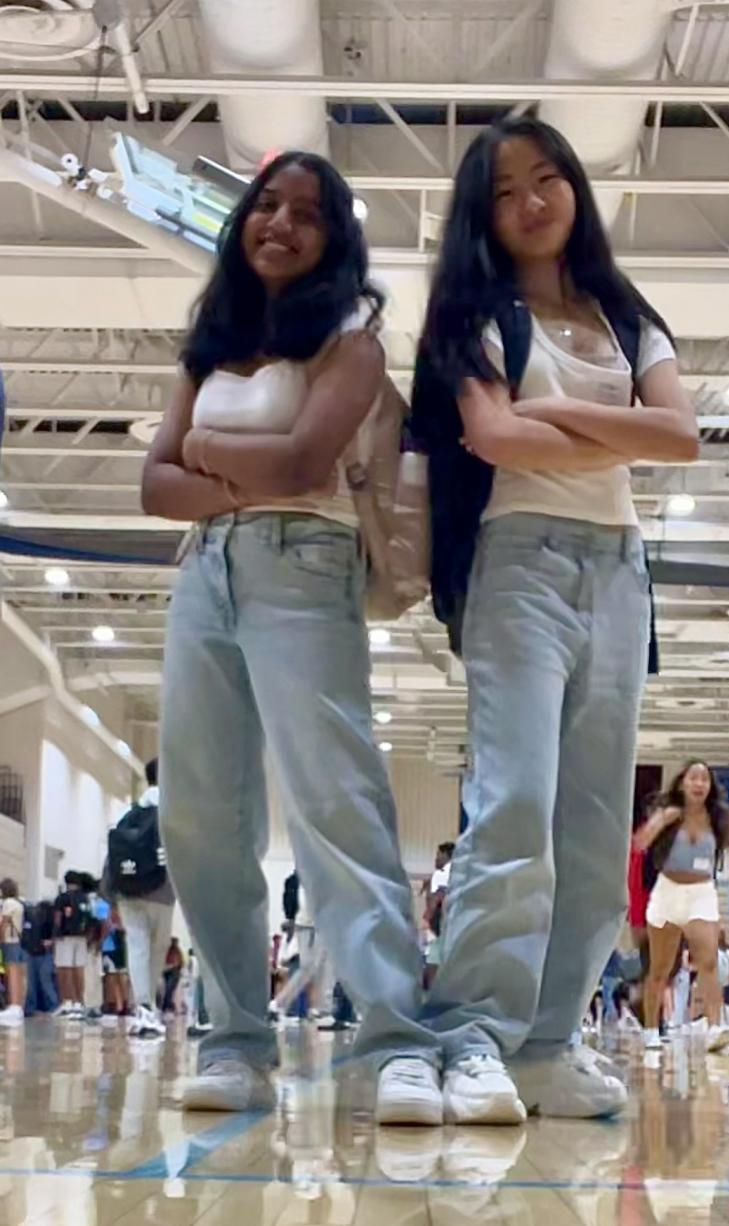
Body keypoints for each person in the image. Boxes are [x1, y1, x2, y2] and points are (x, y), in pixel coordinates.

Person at [412, 116, 697, 1123]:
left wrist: (556, 417)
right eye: (504, 191)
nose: (531, 202)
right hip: (518, 561)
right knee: (515, 802)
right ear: (481, 216)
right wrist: (617, 431)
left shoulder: (629, 317)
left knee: (594, 824)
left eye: (546, 179)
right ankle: (471, 1036)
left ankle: (547, 1040)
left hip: (619, 571)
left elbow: (681, 435)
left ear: (575, 184)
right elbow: (492, 437)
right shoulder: (474, 315)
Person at [145, 151, 438, 1117]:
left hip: (307, 563)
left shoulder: (352, 337)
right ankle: (235, 1042)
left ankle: (397, 1038)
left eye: (307, 214)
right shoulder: (210, 342)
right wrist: (245, 468)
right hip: (204, 574)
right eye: (266, 206)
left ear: (334, 240)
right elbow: (154, 487)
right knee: (199, 813)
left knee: (335, 801)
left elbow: (308, 462)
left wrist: (207, 452)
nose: (280, 224)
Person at [636, 762, 729, 1053]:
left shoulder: (719, 818)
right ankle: (651, 1030)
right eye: (693, 778)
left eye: (704, 779)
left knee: (708, 961)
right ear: (682, 783)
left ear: (710, 786)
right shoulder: (668, 814)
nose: (699, 784)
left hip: (701, 893)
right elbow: (640, 843)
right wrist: (660, 821)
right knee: (660, 969)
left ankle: (714, 1028)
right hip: (668, 892)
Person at [102, 759, 173, 1040]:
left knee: (137, 946)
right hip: (162, 889)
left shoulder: (130, 812)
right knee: (157, 948)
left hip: (128, 889)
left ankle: (142, 1007)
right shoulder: (171, 811)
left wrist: (110, 894)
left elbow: (113, 853)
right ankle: (149, 1005)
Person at [53, 870, 92, 1019]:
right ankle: (79, 1002)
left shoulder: (63, 898)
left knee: (64, 968)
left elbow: (58, 918)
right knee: (78, 968)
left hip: (65, 936)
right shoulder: (85, 898)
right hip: (82, 937)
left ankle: (68, 1002)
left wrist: (55, 934)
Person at [424, 841, 454, 987]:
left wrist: (428, 920)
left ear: (447, 856)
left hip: (440, 923)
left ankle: (431, 992)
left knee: (433, 959)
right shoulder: (458, 874)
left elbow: (435, 901)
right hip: (451, 924)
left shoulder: (441, 874)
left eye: (439, 855)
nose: (436, 859)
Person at [0, 878, 28, 1026]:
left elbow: (4, 924)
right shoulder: (19, 903)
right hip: (18, 940)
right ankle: (18, 1005)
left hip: (9, 940)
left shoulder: (8, 903)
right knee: (18, 973)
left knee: (11, 972)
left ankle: (13, 1005)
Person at [24, 899, 59, 1015]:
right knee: (44, 980)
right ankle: (52, 1005)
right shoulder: (51, 919)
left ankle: (32, 1007)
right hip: (43, 952)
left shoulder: (30, 917)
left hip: (34, 951)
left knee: (34, 982)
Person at [162, 937, 185, 1014]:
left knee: (169, 989)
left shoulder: (171, 950)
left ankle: (167, 1005)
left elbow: (178, 962)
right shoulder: (175, 951)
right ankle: (167, 1005)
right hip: (173, 972)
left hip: (171, 972)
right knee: (169, 989)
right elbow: (179, 962)